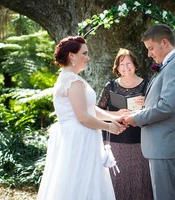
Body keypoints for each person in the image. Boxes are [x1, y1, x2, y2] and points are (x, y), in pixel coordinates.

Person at [37, 36, 126, 200]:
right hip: (79, 138)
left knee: (81, 181)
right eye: (84, 53)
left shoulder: (68, 78)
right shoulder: (73, 81)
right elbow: (83, 117)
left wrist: (115, 116)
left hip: (77, 136)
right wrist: (109, 127)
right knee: (80, 181)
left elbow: (90, 109)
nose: (88, 57)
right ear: (72, 56)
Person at [123, 24, 175, 200]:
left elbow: (167, 107)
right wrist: (145, 104)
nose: (149, 54)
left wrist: (137, 118)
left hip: (166, 145)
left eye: (151, 48)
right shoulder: (168, 65)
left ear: (164, 42)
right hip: (161, 146)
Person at [97, 48, 153, 200]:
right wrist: (116, 115)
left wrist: (147, 103)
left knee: (140, 180)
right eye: (122, 64)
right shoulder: (111, 86)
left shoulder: (147, 85)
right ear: (117, 68)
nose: (126, 67)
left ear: (135, 65)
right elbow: (97, 111)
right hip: (115, 140)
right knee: (116, 180)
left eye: (129, 63)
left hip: (140, 140)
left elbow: (157, 111)